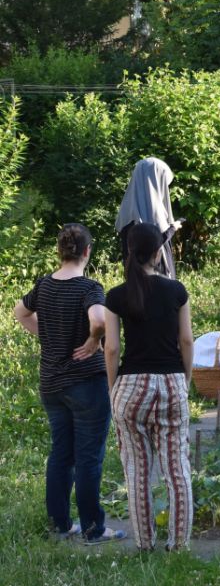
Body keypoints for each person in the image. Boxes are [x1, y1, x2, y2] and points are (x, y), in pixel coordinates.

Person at [13, 223, 126, 545]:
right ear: (88, 251)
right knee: (89, 458)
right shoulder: (89, 288)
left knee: (61, 455)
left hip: (51, 384)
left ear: (60, 251)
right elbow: (101, 321)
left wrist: (46, 337)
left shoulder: (44, 286)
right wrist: (93, 342)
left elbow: (20, 312)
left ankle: (59, 525)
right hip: (86, 384)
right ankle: (93, 528)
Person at [104, 223, 194, 552]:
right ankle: (179, 544)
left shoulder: (115, 296)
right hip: (171, 382)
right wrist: (183, 381)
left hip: (131, 387)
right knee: (177, 470)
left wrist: (113, 388)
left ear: (129, 252)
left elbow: (111, 349)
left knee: (137, 472)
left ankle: (144, 544)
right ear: (158, 253)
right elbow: (185, 340)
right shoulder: (176, 291)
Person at [115, 157, 183, 279]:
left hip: (133, 284)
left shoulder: (127, 211)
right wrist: (172, 228)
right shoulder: (155, 212)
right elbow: (153, 242)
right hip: (158, 282)